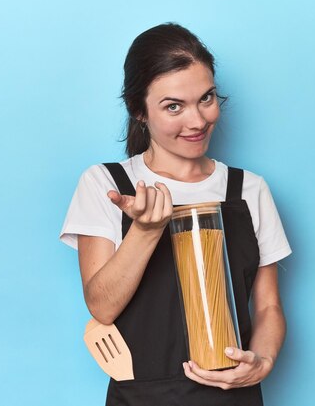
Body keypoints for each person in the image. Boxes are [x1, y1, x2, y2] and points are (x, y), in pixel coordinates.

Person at [59, 23, 292, 406]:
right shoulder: (107, 184)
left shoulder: (249, 189)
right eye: (173, 106)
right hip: (142, 396)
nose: (198, 121)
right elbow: (102, 306)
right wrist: (146, 231)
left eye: (207, 98)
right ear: (139, 110)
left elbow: (267, 306)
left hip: (233, 395)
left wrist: (261, 362)